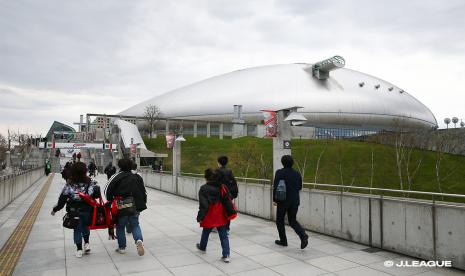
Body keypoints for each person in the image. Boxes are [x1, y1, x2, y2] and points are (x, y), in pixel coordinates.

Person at [51, 162, 101, 257]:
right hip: (87, 210)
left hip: (74, 211)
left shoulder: (69, 184)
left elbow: (62, 200)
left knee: (77, 229)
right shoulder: (90, 182)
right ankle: (86, 244)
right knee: (85, 226)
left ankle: (79, 249)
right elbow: (96, 194)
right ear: (85, 171)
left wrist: (55, 210)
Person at [105, 159, 147, 256]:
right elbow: (143, 191)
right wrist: (142, 203)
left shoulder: (116, 176)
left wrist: (110, 200)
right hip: (135, 205)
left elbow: (107, 190)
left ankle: (122, 247)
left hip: (121, 205)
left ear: (120, 166)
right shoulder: (137, 176)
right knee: (135, 225)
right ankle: (139, 240)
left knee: (120, 226)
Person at [273, 155, 308, 249]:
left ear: (282, 162)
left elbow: (276, 187)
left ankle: (283, 241)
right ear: (292, 163)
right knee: (292, 220)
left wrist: (274, 200)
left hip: (283, 200)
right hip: (295, 200)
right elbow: (300, 187)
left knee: (280, 221)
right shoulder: (297, 174)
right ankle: (303, 235)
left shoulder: (279, 173)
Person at [196, 168, 231, 263]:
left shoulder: (203, 188)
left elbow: (204, 205)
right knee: (223, 235)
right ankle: (226, 255)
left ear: (206, 177)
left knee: (206, 231)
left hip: (209, 214)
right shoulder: (222, 187)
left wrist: (200, 217)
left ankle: (202, 247)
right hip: (220, 214)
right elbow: (228, 200)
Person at [217, 156, 238, 233]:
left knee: (218, 210)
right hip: (228, 195)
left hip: (219, 194)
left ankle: (219, 226)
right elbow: (233, 182)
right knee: (228, 210)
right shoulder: (229, 171)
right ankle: (227, 228)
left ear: (219, 163)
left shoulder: (217, 171)